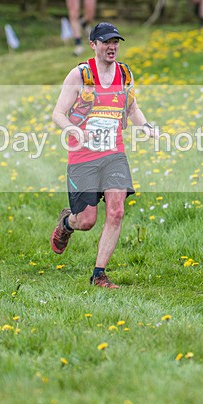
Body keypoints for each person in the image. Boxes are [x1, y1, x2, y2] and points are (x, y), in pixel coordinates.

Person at [50, 22, 158, 288]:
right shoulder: (80, 75)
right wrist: (76, 130)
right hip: (83, 157)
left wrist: (145, 126)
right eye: (106, 42)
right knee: (86, 221)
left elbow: (132, 109)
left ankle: (99, 274)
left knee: (117, 211)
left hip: (114, 154)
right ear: (93, 45)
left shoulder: (124, 74)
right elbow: (58, 114)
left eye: (116, 42)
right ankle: (67, 222)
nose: (112, 47)